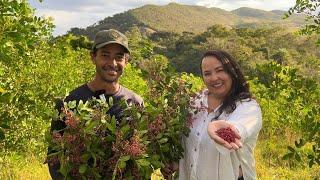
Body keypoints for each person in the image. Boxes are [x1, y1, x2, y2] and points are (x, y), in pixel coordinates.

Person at [47, 29, 143, 179]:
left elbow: (142, 157)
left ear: (126, 61)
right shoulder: (70, 102)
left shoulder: (135, 103)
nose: (112, 63)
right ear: (93, 57)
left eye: (119, 57)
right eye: (105, 55)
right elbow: (54, 156)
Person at [179, 50, 262, 180]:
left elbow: (240, 127)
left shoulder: (248, 107)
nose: (214, 78)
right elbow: (187, 143)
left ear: (231, 72)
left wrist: (227, 130)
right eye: (207, 73)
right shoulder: (194, 103)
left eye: (220, 70)